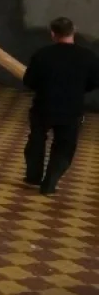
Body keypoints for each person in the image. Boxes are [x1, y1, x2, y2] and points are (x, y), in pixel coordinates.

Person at [22, 17, 99, 196]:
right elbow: (95, 81)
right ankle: (49, 184)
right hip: (72, 109)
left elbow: (29, 81)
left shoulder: (42, 54)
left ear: (52, 34)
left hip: (43, 106)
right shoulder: (88, 56)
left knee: (36, 141)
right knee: (64, 146)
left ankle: (33, 177)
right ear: (74, 31)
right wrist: (80, 89)